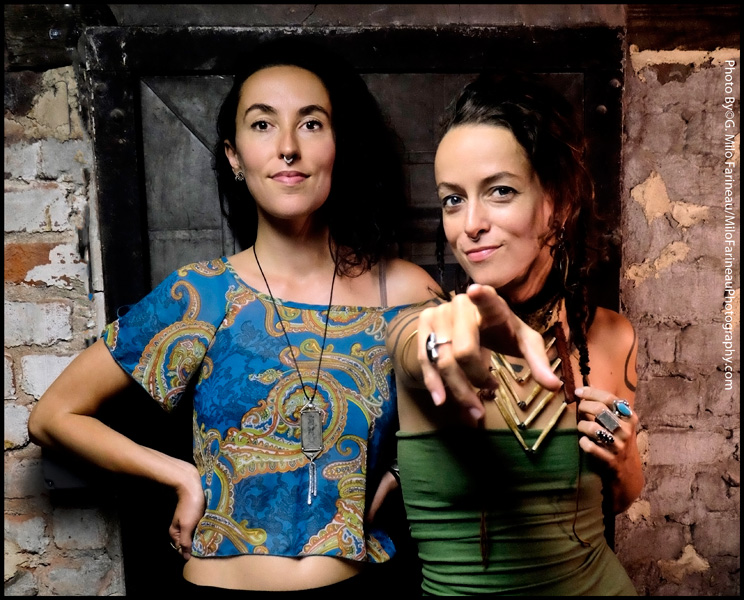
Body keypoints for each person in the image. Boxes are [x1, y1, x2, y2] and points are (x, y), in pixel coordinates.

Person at [28, 37, 439, 594]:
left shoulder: (404, 292)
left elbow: (470, 418)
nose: (288, 147)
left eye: (311, 124)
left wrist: (398, 471)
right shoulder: (201, 293)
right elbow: (53, 416)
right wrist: (181, 476)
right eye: (263, 125)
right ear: (234, 156)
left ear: (337, 145)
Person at [386, 72, 643, 595]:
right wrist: (442, 339)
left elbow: (618, 502)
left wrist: (625, 457)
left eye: (499, 191)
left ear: (558, 202)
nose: (470, 224)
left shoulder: (611, 336)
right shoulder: (426, 324)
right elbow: (417, 344)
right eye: (453, 200)